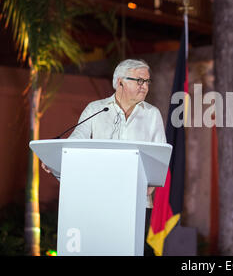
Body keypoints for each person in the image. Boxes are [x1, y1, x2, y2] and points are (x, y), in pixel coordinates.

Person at [41, 59, 166, 255]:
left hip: (136, 201)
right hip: (96, 199)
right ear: (120, 83)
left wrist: (149, 184)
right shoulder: (95, 109)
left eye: (147, 82)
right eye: (139, 81)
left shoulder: (152, 115)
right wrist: (56, 158)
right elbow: (75, 144)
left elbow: (160, 158)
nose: (144, 87)